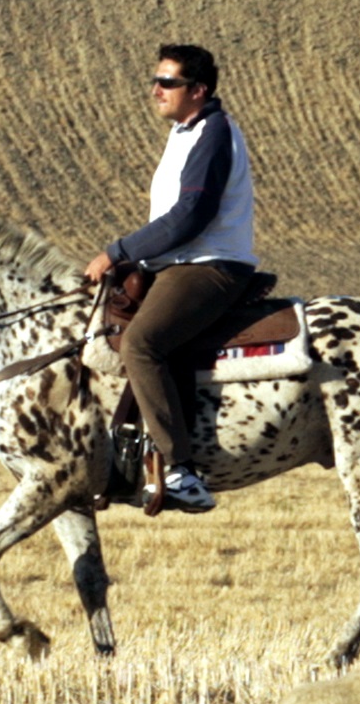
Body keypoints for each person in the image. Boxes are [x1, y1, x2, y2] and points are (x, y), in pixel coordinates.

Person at [84, 41, 262, 516]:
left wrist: (118, 252)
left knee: (142, 344)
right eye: (156, 80)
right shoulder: (186, 131)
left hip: (211, 266)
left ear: (198, 90)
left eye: (168, 82)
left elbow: (191, 216)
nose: (155, 90)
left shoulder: (213, 132)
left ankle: (179, 469)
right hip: (179, 262)